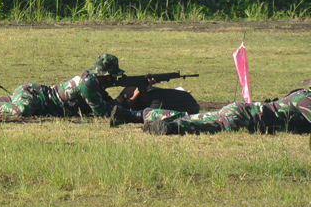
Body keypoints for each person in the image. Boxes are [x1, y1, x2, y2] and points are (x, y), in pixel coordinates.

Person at [0, 54, 136, 119]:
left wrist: (125, 99)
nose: (113, 80)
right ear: (105, 76)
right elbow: (103, 112)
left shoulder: (94, 82)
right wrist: (125, 100)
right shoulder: (88, 83)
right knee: (21, 110)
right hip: (36, 98)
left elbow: (105, 104)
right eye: (112, 77)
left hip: (37, 98)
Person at [130, 78, 311, 136]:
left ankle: (135, 115)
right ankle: (170, 127)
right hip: (247, 118)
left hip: (242, 111)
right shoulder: (305, 98)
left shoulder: (302, 95)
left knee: (196, 117)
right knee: (212, 125)